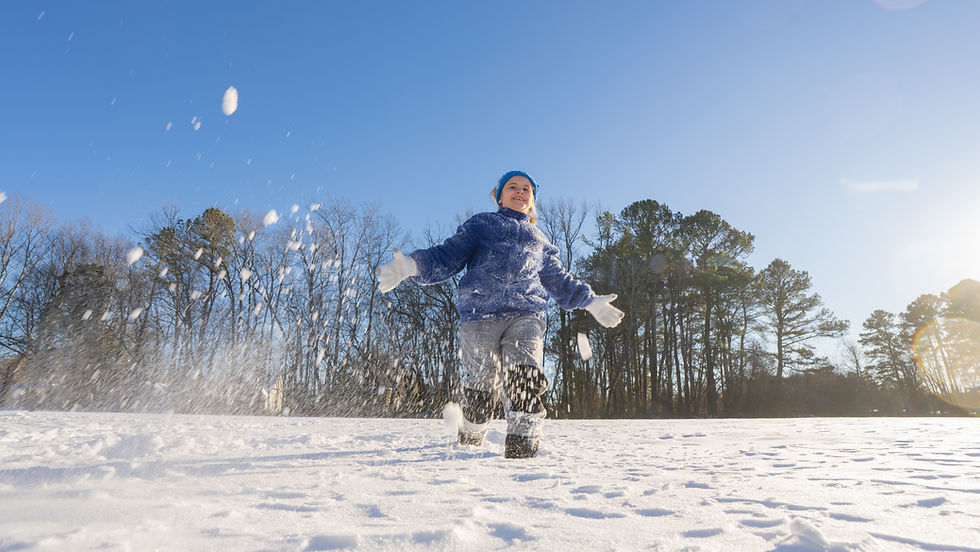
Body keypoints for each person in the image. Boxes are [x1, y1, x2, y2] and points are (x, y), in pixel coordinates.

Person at [377, 170, 624, 458]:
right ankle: (471, 435)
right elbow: (448, 256)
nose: (520, 192)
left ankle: (522, 446)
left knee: (523, 374)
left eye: (526, 189)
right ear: (499, 195)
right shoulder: (483, 225)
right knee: (482, 381)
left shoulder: (540, 240)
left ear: (532, 200)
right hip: (480, 314)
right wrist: (412, 266)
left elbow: (558, 280)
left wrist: (590, 301)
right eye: (512, 187)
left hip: (526, 315)